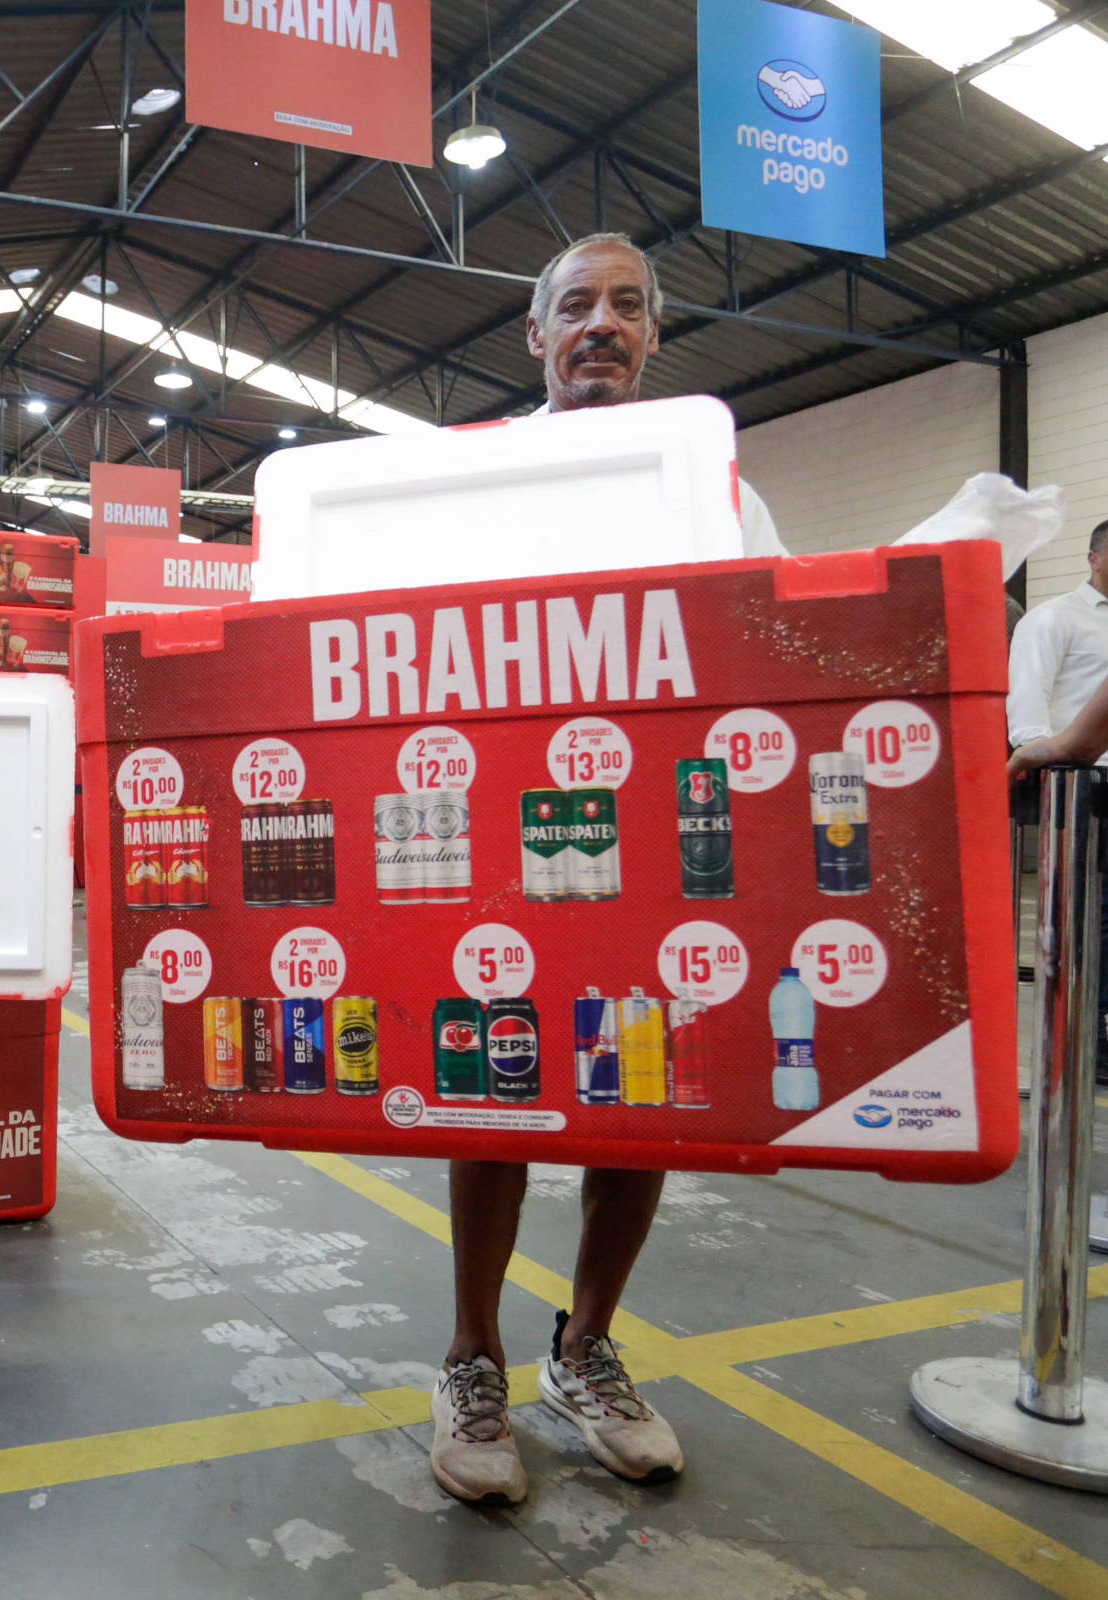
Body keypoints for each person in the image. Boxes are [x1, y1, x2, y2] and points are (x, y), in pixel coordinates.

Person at [426, 232, 787, 1511]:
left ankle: (587, 1347)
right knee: (499, 1085)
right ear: (535, 337)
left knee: (641, 1092)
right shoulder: (483, 478)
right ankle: (474, 1359)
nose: (601, 325)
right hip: (506, 839)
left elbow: (762, 642)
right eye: (574, 304)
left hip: (661, 842)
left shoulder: (718, 485)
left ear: (652, 336)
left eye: (626, 307)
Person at [1008, 521, 1108, 764]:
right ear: (1093, 560)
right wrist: (1045, 765)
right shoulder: (1053, 616)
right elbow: (1028, 697)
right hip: (1083, 774)